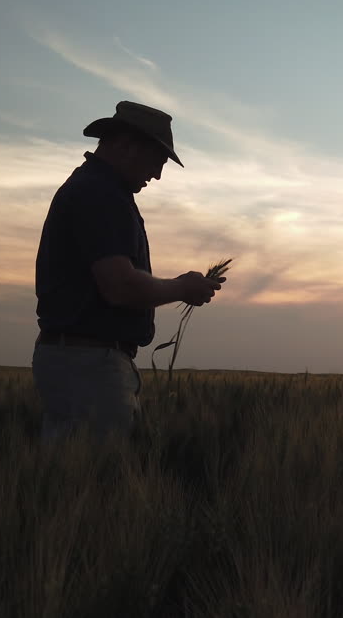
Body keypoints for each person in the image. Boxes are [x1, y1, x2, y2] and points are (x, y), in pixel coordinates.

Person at [32, 101, 224, 444]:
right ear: (127, 144)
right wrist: (182, 288)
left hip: (78, 360)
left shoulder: (93, 189)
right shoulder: (100, 194)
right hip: (89, 364)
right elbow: (119, 286)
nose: (158, 174)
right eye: (158, 160)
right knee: (96, 482)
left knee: (72, 481)